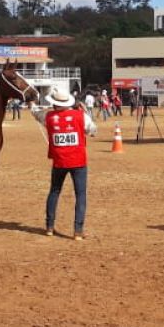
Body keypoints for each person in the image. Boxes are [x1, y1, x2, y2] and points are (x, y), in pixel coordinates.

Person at [33, 87, 96, 240]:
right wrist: (85, 113)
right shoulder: (80, 116)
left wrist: (33, 104)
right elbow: (93, 130)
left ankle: (49, 226)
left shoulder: (48, 117)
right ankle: (78, 231)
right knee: (80, 195)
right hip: (78, 160)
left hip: (59, 161)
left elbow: (36, 113)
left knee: (54, 192)